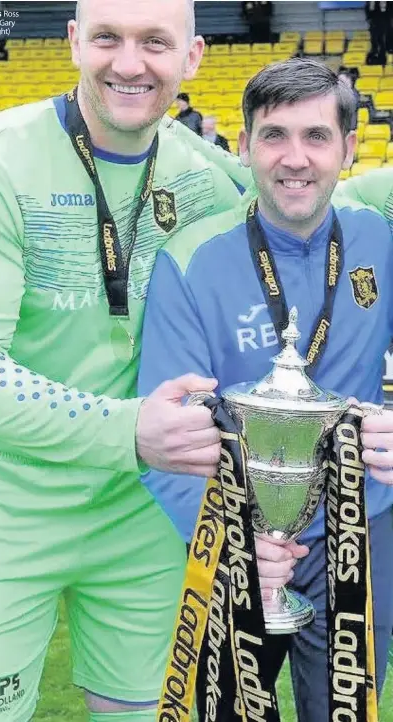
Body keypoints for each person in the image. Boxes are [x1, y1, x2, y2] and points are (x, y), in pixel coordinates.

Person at [0, 1, 250, 721]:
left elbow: (332, 199)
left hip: (144, 517)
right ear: (73, 43)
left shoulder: (211, 182)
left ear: (192, 58)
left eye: (155, 43)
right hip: (0, 509)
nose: (128, 63)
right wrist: (129, 430)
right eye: (107, 38)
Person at [138, 58, 393, 722]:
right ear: (244, 145)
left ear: (349, 147)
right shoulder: (191, 260)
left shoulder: (379, 239)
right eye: (274, 135)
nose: (295, 158)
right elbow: (168, 431)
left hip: (358, 534)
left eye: (316, 136)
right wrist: (230, 540)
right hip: (236, 538)